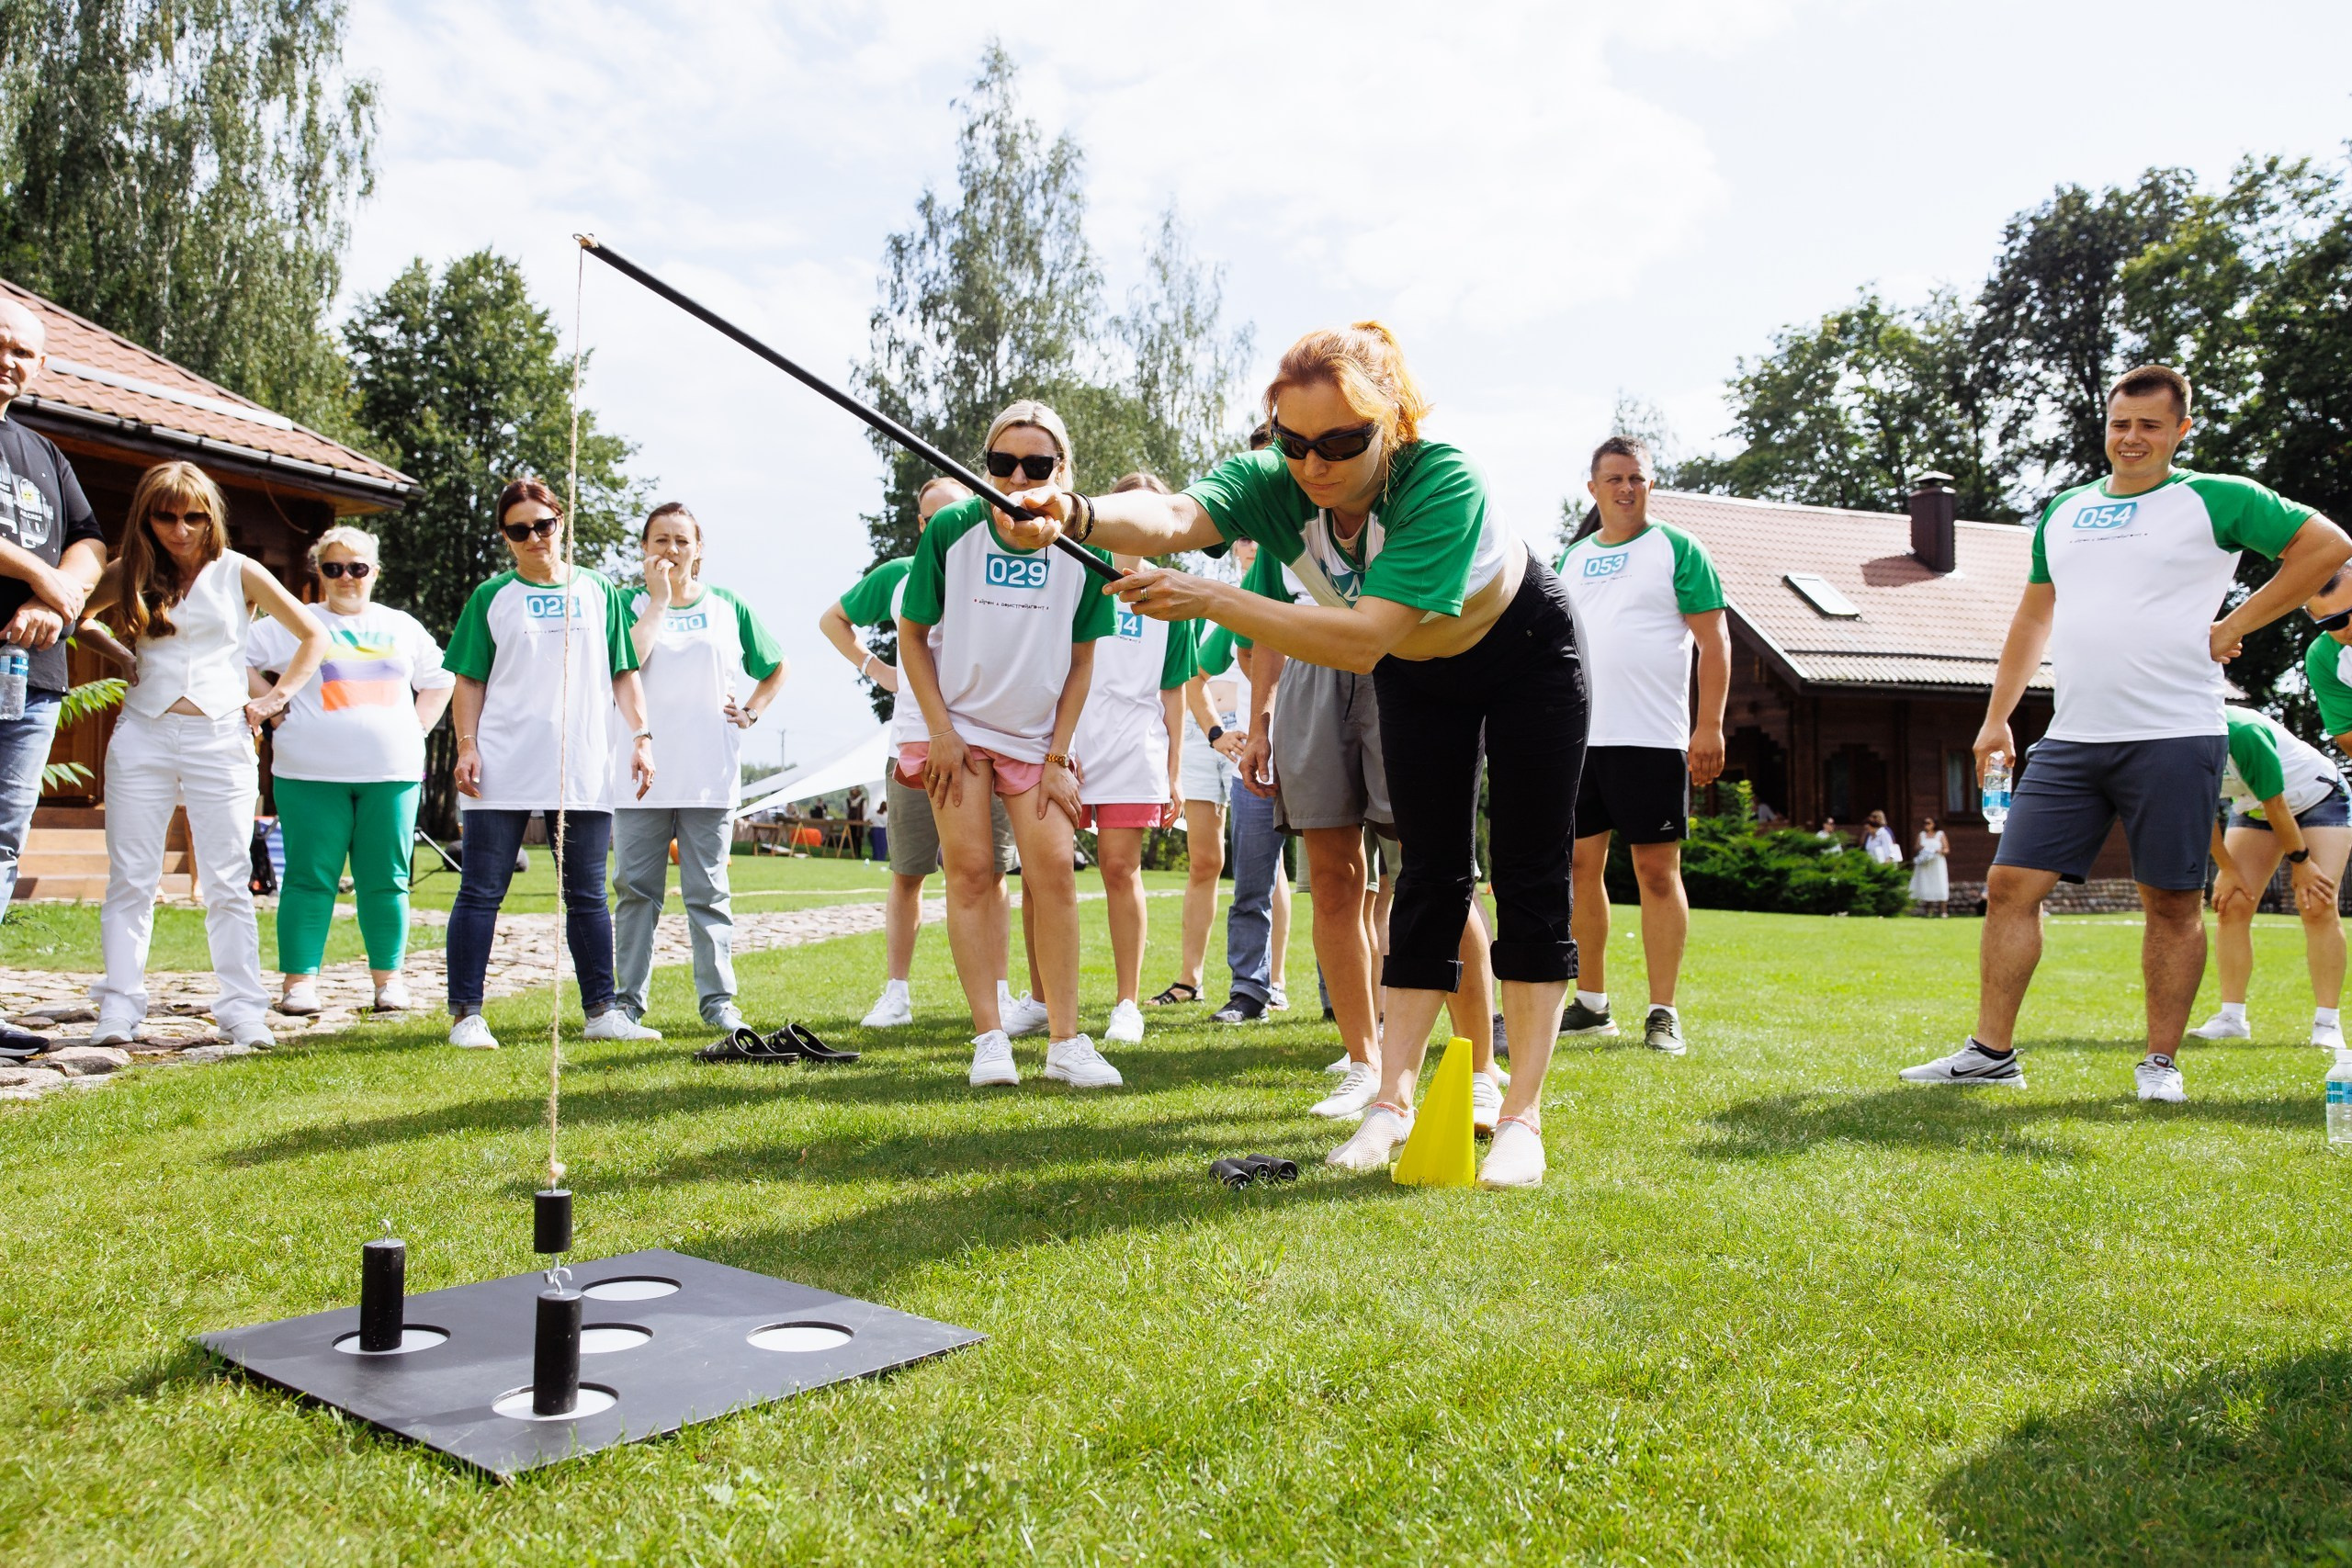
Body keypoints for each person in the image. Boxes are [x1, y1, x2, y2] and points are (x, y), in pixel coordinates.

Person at [1002, 321, 1586, 1187]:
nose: (1314, 464)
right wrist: (1076, 512)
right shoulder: (1279, 483)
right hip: (1420, 673)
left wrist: (1211, 596)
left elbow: (1361, 639)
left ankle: (1522, 1117)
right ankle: (1391, 1102)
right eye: (1293, 441)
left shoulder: (1443, 480)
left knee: (1531, 875)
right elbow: (1175, 515)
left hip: (1523, 652)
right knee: (1428, 877)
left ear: (1392, 425)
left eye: (1341, 442)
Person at [1903, 365, 2350, 1101]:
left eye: (2149, 424)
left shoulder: (2214, 498)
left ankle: (2160, 1065)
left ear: (2181, 429)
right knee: (2012, 884)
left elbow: (2327, 545)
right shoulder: (2066, 511)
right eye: (2120, 423)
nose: (2132, 437)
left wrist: (2235, 624)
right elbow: (2032, 617)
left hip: (2176, 733)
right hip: (2074, 736)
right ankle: (1990, 1051)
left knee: (2172, 901)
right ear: (2104, 427)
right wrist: (1995, 717)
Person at [1222, 424, 1504, 1130]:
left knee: (1434, 872)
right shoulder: (1275, 519)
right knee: (1333, 878)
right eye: (1288, 451)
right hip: (1313, 681)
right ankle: (1363, 1061)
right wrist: (1258, 723)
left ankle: (1479, 1068)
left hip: (1402, 664)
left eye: (1325, 447)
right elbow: (1268, 630)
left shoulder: (1400, 496)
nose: (1305, 465)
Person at [898, 400, 1120, 1089]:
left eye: (1036, 464)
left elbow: (1083, 661)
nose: (1018, 477)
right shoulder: (954, 530)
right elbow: (911, 634)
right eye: (1002, 463)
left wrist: (1059, 756)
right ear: (985, 466)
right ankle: (989, 1037)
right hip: (957, 729)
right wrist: (939, 732)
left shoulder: (1087, 548)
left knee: (1052, 869)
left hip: (1035, 737)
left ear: (1062, 470)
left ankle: (1065, 1040)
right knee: (970, 873)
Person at [82, 461, 330, 1048]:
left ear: (211, 515)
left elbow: (314, 636)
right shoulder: (129, 571)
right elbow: (77, 619)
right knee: (131, 879)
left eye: (193, 516)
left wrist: (273, 700)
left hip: (221, 735)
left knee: (227, 878)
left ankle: (242, 1009)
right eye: (165, 516)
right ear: (147, 516)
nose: (180, 529)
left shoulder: (239, 571)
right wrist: (121, 657)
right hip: (142, 733)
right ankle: (119, 1008)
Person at [819, 475, 1046, 1034]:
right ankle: (896, 992)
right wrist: (880, 671)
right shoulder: (898, 576)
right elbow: (833, 621)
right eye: (929, 517)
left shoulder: (994, 567)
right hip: (914, 743)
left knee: (990, 874)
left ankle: (997, 992)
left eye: (955, 510)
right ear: (922, 524)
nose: (941, 523)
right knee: (907, 872)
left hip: (987, 746)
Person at [442, 477, 661, 1050]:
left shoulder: (598, 591)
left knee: (586, 893)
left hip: (582, 760)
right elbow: (468, 679)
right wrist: (467, 744)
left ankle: (601, 1012)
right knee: (481, 889)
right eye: (520, 530)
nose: (535, 537)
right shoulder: (491, 597)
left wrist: (642, 736)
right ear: (506, 537)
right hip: (503, 758)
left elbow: (624, 672)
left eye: (543, 524)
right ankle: (467, 1015)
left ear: (561, 521)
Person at [1555, 434, 1728, 1055]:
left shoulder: (1677, 549)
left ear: (1650, 485)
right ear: (1594, 488)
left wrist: (1707, 726)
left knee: (1657, 871)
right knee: (1579, 868)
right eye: (1615, 479)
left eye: (1637, 478)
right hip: (1579, 741)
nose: (1627, 488)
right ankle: (1593, 1004)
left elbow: (1715, 641)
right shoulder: (1571, 559)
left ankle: (1663, 1011)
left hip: (1653, 738)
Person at [245, 525, 454, 1016]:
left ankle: (389, 981)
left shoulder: (401, 625)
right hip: (308, 773)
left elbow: (441, 678)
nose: (346, 577)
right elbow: (236, 656)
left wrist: (418, 727)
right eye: (334, 568)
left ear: (374, 573)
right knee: (307, 878)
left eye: (357, 568)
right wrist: (273, 705)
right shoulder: (293, 620)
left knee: (387, 878)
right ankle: (299, 983)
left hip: (392, 774)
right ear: (319, 572)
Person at [609, 502, 787, 1038]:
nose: (671, 549)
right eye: (660, 540)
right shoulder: (627, 603)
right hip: (641, 775)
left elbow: (775, 666)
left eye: (681, 540)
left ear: (699, 549)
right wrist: (658, 603)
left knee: (708, 895)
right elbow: (626, 665)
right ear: (645, 549)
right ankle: (626, 1005)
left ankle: (718, 1004)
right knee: (636, 891)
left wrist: (752, 710)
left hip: (710, 774)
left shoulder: (728, 606)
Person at [1070, 471, 1196, 1045]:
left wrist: (1173, 774)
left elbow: (1174, 690)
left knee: (1120, 870)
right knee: (1047, 873)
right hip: (1066, 739)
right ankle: (1046, 999)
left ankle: (1127, 1004)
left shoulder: (1169, 591)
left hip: (1134, 745)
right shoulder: (1076, 567)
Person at [0, 297, 106, 964]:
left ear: (39, 366)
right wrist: (42, 576)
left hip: (30, 677)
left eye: (21, 352)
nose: (7, 361)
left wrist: (58, 600)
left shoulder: (43, 451)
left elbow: (90, 541)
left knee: (4, 838)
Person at [2187, 705, 2347, 1047]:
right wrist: (2227, 869)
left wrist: (2301, 863)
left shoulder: (2243, 731)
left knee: (2317, 903)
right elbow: (2198, 810)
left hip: (2318, 798)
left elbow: (2277, 804)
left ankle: (2327, 1023)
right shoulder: (2172, 743)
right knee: (2231, 904)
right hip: (2255, 807)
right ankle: (2231, 1017)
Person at [1910, 817, 1951, 917]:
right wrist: (1923, 848)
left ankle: (1943, 911)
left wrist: (1939, 851)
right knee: (1926, 884)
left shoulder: (1940, 834)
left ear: (1934, 824)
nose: (1926, 825)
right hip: (1925, 863)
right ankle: (1929, 911)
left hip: (1937, 863)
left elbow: (1946, 849)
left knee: (1939, 883)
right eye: (1925, 823)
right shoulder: (1922, 835)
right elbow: (1916, 847)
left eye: (1928, 823)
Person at [845, 784, 869, 860]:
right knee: (851, 838)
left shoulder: (863, 801)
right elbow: (847, 811)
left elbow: (864, 812)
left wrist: (864, 821)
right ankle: (853, 853)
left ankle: (858, 854)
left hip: (859, 824)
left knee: (858, 838)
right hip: (851, 823)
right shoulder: (849, 800)